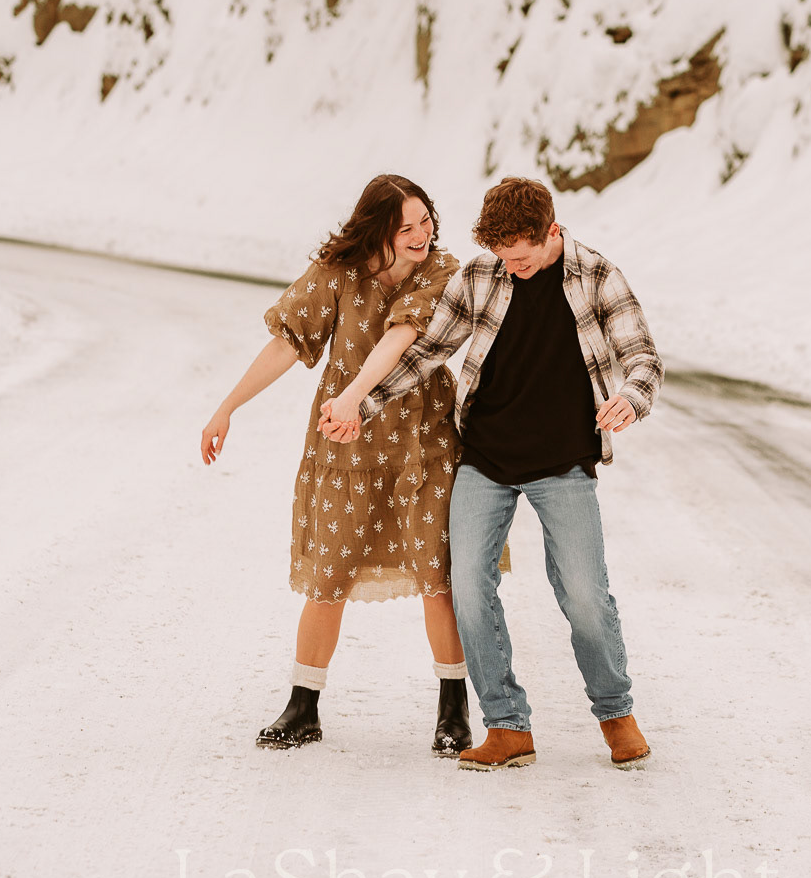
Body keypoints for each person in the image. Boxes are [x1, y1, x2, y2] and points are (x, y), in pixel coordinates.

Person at [321, 175, 663, 772]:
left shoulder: (597, 276)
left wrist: (631, 398)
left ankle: (616, 715)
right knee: (470, 590)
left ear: (551, 232)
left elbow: (643, 358)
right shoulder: (481, 276)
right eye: (502, 256)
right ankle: (506, 726)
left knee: (584, 594)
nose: (511, 267)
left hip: (564, 461)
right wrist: (363, 403)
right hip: (484, 459)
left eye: (521, 257)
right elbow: (427, 353)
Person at [200, 174, 472, 757]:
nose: (421, 235)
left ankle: (454, 710)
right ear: (377, 231)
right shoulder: (337, 273)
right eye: (405, 227)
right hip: (346, 447)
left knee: (437, 577)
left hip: (422, 442)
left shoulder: (441, 271)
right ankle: (303, 706)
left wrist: (352, 396)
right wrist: (228, 407)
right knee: (328, 575)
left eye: (426, 221)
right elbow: (287, 342)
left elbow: (402, 335)